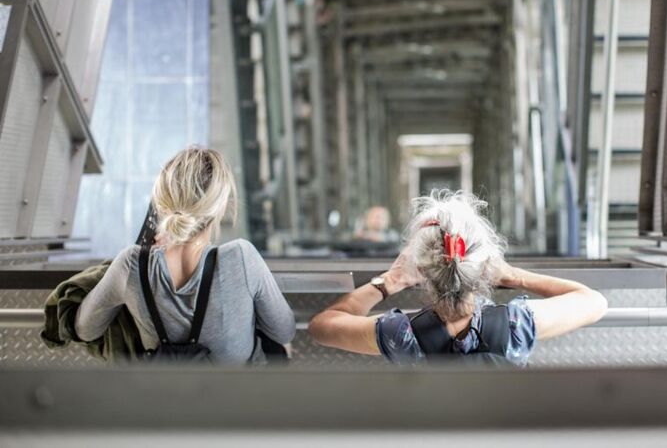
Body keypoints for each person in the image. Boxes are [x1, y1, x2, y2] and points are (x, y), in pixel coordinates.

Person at [308, 191, 607, 365]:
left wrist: (388, 283)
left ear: (422, 271)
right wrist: (514, 276)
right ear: (485, 264)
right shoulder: (517, 325)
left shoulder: (400, 334)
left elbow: (322, 327)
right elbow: (594, 302)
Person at [75, 147, 296, 364]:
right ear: (220, 207)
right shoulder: (240, 258)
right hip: (244, 397)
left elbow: (85, 330)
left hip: (172, 398)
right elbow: (284, 332)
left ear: (160, 203)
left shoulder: (131, 266)